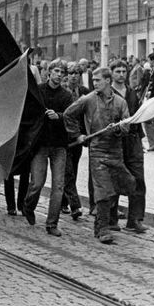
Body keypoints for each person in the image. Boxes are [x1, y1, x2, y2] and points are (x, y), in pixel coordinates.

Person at [64, 67, 132, 244]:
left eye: (98, 80)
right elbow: (68, 115)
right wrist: (77, 135)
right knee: (102, 190)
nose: (94, 83)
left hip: (115, 151)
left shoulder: (120, 102)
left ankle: (103, 223)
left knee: (118, 187)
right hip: (98, 151)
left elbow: (127, 125)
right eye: (93, 80)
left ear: (108, 81)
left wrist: (118, 127)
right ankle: (102, 229)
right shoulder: (88, 99)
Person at [22, 59, 73, 237]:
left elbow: (70, 117)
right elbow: (28, 112)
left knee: (58, 186)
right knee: (37, 183)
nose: (59, 75)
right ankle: (28, 206)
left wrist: (58, 116)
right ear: (49, 72)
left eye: (62, 72)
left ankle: (52, 223)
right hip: (41, 144)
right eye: (56, 71)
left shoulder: (67, 95)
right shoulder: (39, 91)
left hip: (59, 146)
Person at [110, 60, 148, 233]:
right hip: (115, 141)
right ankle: (111, 218)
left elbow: (138, 116)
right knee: (115, 179)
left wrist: (140, 140)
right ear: (111, 73)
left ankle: (135, 219)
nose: (121, 74)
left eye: (124, 71)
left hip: (133, 141)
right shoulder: (106, 93)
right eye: (117, 71)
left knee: (138, 179)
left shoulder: (132, 93)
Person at [60, 62, 90, 219]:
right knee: (68, 172)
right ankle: (74, 206)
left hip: (77, 138)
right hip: (63, 137)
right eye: (71, 73)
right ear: (67, 75)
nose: (74, 76)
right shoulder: (63, 92)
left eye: (77, 73)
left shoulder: (83, 92)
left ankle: (63, 201)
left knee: (73, 171)